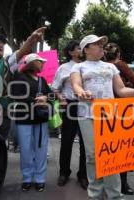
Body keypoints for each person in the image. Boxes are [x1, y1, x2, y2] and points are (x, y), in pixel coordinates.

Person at [70, 34, 134, 200]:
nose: (101, 46)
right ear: (86, 49)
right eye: (96, 43)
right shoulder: (78, 67)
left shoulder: (111, 68)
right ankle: (95, 194)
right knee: (92, 156)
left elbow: (121, 90)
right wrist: (81, 92)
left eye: (101, 43)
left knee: (112, 156)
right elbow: (76, 84)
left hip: (111, 115)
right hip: (87, 115)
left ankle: (115, 195)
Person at [0, 27, 46, 140]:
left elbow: (21, 52)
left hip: (0, 112)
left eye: (2, 44)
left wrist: (31, 39)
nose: (0, 45)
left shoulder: (7, 62)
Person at [104, 42, 134, 195]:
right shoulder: (119, 64)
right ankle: (122, 184)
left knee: (110, 148)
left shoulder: (106, 66)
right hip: (121, 110)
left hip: (107, 110)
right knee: (122, 148)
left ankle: (115, 183)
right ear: (119, 54)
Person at [11, 53, 52, 192]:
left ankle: (40, 178)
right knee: (26, 150)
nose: (43, 64)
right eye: (40, 61)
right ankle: (27, 178)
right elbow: (16, 94)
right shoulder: (19, 77)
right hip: (24, 118)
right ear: (31, 62)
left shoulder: (42, 80)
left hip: (41, 118)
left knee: (41, 149)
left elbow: (52, 95)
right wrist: (36, 100)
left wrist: (46, 98)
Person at [51, 40, 88, 190]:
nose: (82, 50)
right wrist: (60, 98)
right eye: (79, 48)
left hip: (86, 106)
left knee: (86, 141)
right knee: (66, 141)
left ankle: (83, 175)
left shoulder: (87, 66)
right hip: (70, 106)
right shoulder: (63, 68)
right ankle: (64, 173)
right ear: (71, 52)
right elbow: (55, 88)